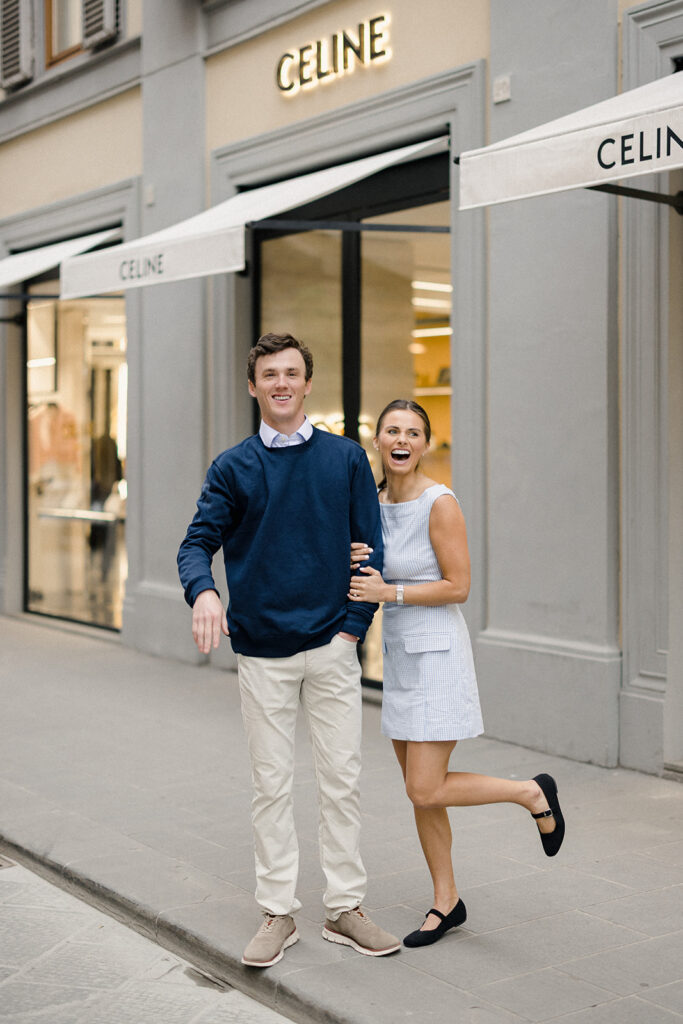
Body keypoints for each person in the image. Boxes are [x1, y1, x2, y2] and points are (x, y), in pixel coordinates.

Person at [177, 333, 400, 968]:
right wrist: (204, 594)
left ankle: (344, 908)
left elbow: (370, 547)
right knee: (271, 784)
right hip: (263, 653)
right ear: (254, 387)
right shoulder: (232, 468)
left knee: (343, 781)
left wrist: (352, 628)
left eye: (291, 373)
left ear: (307, 385)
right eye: (268, 374)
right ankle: (279, 912)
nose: (280, 383)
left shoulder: (346, 459)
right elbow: (196, 543)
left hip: (332, 644)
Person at [348, 399, 565, 948]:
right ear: (377, 440)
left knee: (424, 787)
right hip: (399, 658)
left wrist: (387, 590)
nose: (402, 439)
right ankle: (447, 903)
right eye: (392, 430)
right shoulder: (373, 503)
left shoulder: (439, 503)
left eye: (413, 432)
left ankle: (531, 792)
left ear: (425, 443)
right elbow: (370, 573)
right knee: (422, 794)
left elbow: (458, 585)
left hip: (439, 656)